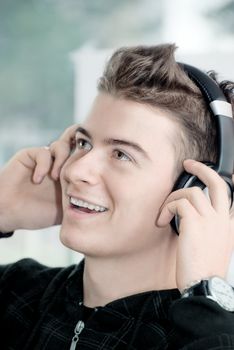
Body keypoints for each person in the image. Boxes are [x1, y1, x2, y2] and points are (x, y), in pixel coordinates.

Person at [0, 43, 234, 350]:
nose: (75, 170)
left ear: (195, 188)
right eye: (83, 143)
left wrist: (205, 300)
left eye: (121, 154)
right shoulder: (16, 291)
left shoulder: (207, 338)